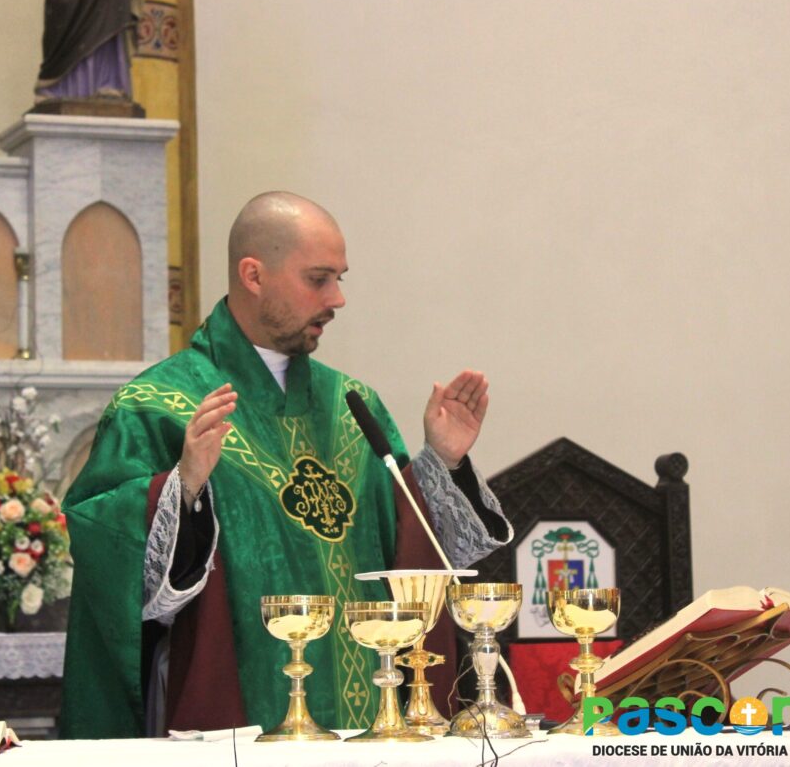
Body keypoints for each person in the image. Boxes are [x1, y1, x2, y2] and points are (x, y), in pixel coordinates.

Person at [61, 191, 514, 738]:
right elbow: (105, 565)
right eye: (319, 279)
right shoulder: (159, 406)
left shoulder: (354, 406)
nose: (338, 298)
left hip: (376, 729)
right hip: (239, 726)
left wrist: (442, 462)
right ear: (253, 275)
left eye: (340, 278)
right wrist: (179, 491)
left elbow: (417, 565)